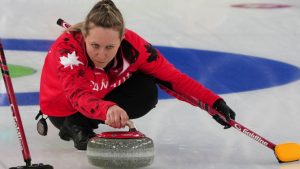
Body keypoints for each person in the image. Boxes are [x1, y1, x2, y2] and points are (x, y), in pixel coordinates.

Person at [39, 0, 236, 150]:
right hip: (63, 109)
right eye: (95, 46)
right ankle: (73, 124)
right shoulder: (66, 51)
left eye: (110, 47)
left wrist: (214, 103)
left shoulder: (135, 47)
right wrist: (107, 108)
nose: (102, 54)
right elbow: (76, 96)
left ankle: (82, 123)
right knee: (76, 106)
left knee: (145, 90)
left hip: (99, 97)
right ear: (84, 36)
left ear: (122, 38)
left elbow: (173, 79)